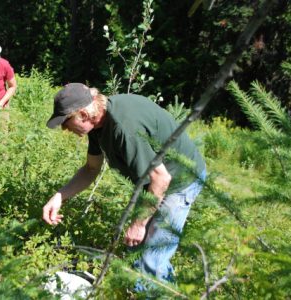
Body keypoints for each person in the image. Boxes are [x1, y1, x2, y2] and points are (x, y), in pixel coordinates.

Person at [42, 83, 206, 285]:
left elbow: (161, 179)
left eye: (66, 122)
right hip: (155, 182)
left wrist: (139, 224)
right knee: (135, 249)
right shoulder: (98, 124)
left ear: (83, 114)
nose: (65, 129)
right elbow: (91, 169)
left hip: (180, 179)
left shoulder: (124, 128)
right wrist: (59, 196)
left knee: (151, 259)